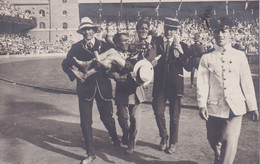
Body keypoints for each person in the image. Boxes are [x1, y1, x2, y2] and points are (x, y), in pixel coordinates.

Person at [196, 17, 259, 164]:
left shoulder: (240, 56)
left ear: (230, 33)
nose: (220, 35)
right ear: (213, 34)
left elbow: (247, 82)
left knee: (230, 142)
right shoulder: (207, 57)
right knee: (212, 139)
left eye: (223, 31)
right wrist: (202, 105)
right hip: (214, 107)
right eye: (216, 32)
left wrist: (253, 106)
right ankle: (219, 156)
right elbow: (203, 83)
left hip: (235, 106)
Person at [61, 17, 120, 164]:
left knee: (107, 118)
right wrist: (73, 74)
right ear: (81, 32)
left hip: (103, 87)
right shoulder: (76, 47)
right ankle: (90, 153)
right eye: (84, 30)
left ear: (94, 31)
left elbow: (113, 65)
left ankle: (115, 139)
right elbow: (65, 64)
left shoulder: (104, 45)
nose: (87, 32)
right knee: (85, 122)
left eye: (89, 29)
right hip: (85, 88)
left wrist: (106, 67)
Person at [112, 19, 153, 154]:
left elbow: (145, 64)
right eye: (123, 41)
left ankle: (131, 143)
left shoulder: (136, 49)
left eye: (127, 40)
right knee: (122, 118)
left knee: (136, 119)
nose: (127, 42)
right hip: (122, 91)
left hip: (135, 91)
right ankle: (126, 133)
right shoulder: (114, 54)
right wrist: (115, 76)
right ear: (117, 43)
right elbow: (109, 71)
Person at [151, 17, 191, 154]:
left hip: (175, 86)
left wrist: (180, 52)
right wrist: (151, 62)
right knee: (158, 112)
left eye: (172, 29)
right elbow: (149, 57)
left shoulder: (183, 45)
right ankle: (164, 137)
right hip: (159, 85)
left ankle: (172, 143)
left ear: (176, 31)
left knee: (174, 117)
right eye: (167, 28)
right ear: (164, 28)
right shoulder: (156, 42)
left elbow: (188, 66)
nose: (169, 32)